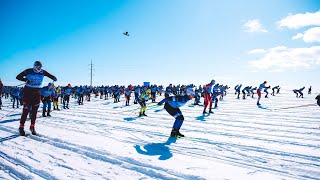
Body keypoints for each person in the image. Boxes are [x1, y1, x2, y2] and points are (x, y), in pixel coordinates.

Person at [16, 61, 57, 136]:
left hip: (37, 92)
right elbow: (18, 77)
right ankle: (21, 127)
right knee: (26, 110)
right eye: (37, 67)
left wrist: (54, 77)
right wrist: (26, 80)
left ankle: (32, 127)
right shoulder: (28, 71)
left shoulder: (43, 72)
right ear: (34, 66)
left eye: (40, 67)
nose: (39, 69)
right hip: (28, 91)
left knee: (35, 111)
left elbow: (50, 75)